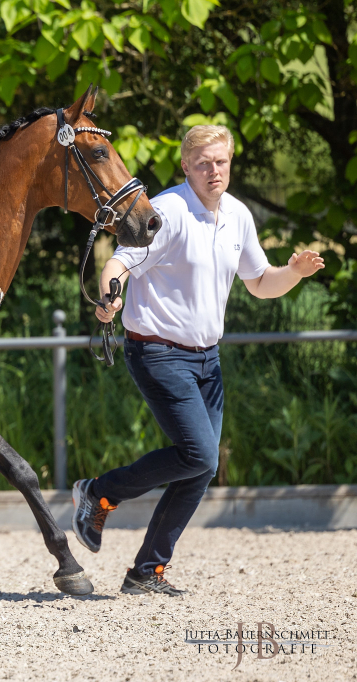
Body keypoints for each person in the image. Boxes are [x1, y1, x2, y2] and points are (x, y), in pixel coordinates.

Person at [70, 124, 325, 595]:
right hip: (157, 352)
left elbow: (260, 283)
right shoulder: (168, 210)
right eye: (203, 163)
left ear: (230, 164)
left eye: (221, 162)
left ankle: (147, 571)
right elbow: (120, 262)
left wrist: (293, 272)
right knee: (200, 454)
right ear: (186, 166)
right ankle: (99, 492)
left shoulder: (238, 215)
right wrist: (111, 295)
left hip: (208, 360)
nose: (214, 170)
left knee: (200, 467)